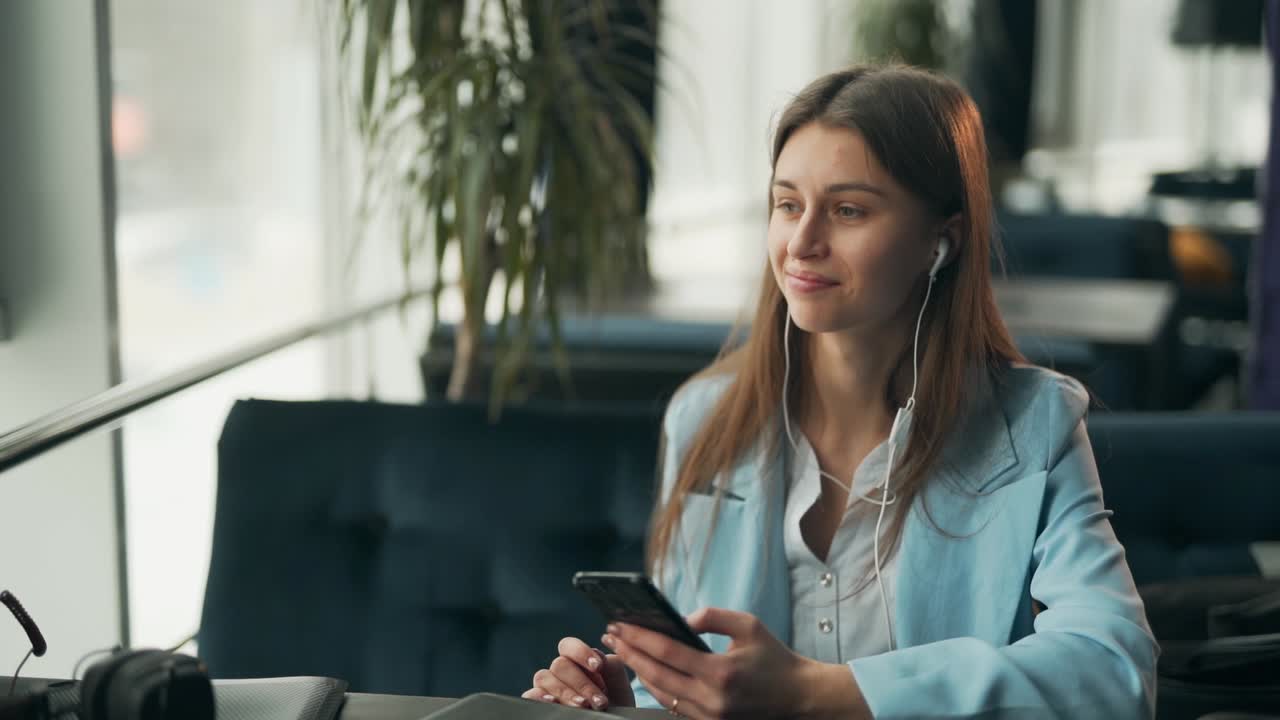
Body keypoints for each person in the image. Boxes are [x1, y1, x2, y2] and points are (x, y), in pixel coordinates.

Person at [523, 65, 1158, 719]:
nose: (801, 243)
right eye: (788, 204)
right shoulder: (704, 418)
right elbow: (700, 684)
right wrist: (635, 704)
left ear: (941, 241)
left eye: (848, 210)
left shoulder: (1032, 424)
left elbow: (1113, 672)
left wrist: (816, 694)